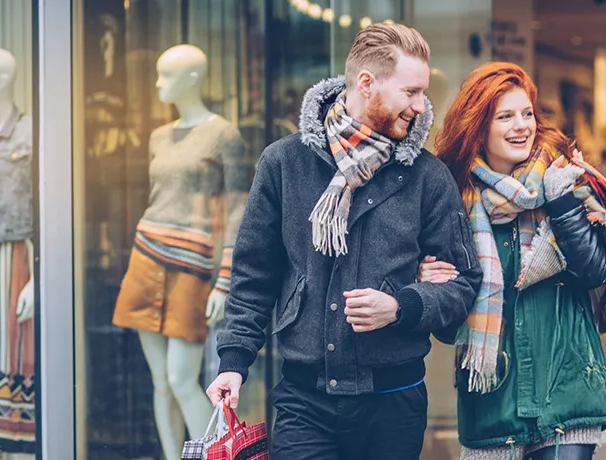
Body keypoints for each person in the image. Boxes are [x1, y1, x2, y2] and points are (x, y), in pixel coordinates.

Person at [206, 23, 481, 459]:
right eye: (411, 92)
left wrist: (402, 306)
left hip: (395, 403)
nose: (421, 106)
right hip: (303, 400)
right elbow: (253, 274)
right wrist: (234, 362)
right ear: (367, 83)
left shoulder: (428, 176)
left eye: (423, 93)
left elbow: (463, 283)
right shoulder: (284, 162)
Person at [420, 62, 606, 460]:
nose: (521, 125)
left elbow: (595, 271)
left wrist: (561, 204)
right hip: (493, 403)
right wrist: (433, 286)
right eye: (505, 117)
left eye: (527, 113)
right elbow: (448, 331)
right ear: (478, 128)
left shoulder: (563, 180)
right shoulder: (454, 204)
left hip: (567, 393)